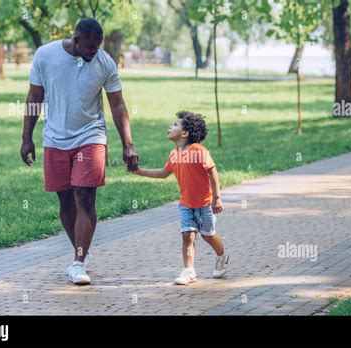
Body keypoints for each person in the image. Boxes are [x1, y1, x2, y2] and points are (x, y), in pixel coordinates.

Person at [20, 18, 138, 285]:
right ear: (76, 39)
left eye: (97, 46)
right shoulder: (46, 55)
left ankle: (78, 261)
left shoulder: (104, 62)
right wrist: (26, 138)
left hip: (90, 136)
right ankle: (81, 251)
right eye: (89, 47)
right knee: (65, 203)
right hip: (55, 139)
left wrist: (127, 144)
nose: (93, 51)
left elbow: (118, 105)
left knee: (85, 198)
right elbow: (33, 98)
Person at [134, 111, 228, 285]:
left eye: (175, 125)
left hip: (205, 204)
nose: (170, 127)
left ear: (185, 133)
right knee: (187, 235)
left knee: (208, 236)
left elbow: (212, 171)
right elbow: (163, 173)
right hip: (186, 204)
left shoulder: (199, 150)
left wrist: (217, 198)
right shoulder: (173, 154)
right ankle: (189, 271)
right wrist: (140, 171)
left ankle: (222, 256)